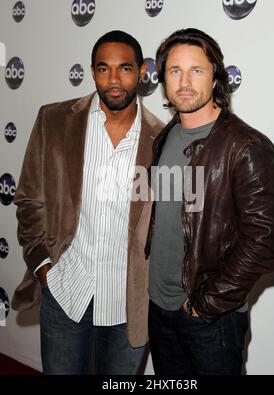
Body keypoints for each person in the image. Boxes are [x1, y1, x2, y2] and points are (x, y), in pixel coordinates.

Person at [12, 30, 164, 375]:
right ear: (93, 71)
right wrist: (44, 268)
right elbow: (29, 198)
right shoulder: (53, 120)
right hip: (66, 292)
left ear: (141, 72)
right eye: (103, 68)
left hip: (129, 306)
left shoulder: (162, 140)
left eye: (124, 68)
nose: (113, 79)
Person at [146, 28, 274, 375]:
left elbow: (267, 242)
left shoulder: (245, 146)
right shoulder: (164, 137)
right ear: (163, 79)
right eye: (174, 71)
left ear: (215, 79)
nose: (184, 81)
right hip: (159, 310)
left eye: (196, 70)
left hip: (211, 320)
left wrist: (207, 303)